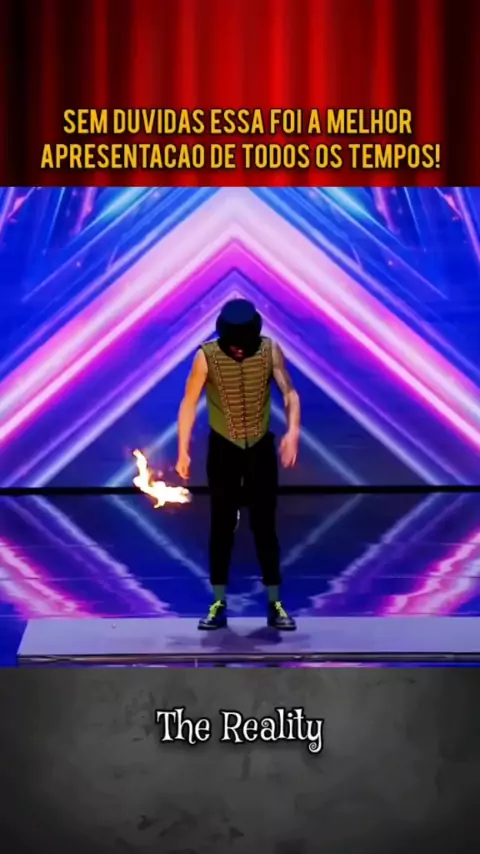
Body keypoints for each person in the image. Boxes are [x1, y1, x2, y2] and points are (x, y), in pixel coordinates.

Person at [175, 299, 300, 631]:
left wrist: (293, 432)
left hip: (259, 449)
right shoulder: (206, 356)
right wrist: (182, 450)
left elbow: (290, 393)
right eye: (235, 344)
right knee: (221, 526)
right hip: (224, 450)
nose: (240, 350)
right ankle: (218, 603)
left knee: (265, 527)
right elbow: (189, 402)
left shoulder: (270, 351)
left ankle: (275, 603)